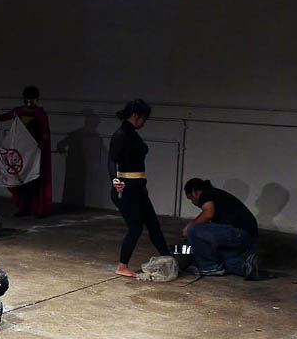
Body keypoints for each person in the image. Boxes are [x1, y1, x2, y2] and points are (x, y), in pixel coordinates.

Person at [109, 99, 170, 278]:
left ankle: (169, 258)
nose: (144, 122)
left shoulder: (132, 134)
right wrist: (114, 180)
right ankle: (122, 265)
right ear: (135, 116)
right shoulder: (121, 134)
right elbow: (111, 160)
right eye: (144, 118)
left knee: (153, 225)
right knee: (135, 227)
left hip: (138, 189)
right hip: (126, 189)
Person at [0, 85, 52, 218]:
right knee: (21, 180)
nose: (29, 102)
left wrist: (42, 146)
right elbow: (4, 117)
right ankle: (24, 208)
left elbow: (45, 132)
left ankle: (38, 209)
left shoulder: (40, 114)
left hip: (34, 152)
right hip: (21, 151)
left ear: (37, 99)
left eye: (32, 99)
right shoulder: (19, 111)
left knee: (34, 180)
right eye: (27, 98)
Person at [182, 178, 261, 280]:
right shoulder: (219, 197)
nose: (192, 202)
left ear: (194, 192)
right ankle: (246, 266)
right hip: (248, 238)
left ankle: (210, 267)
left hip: (239, 233)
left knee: (193, 230)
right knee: (224, 261)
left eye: (190, 198)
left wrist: (188, 227)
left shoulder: (206, 193)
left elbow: (208, 214)